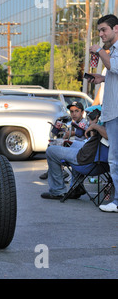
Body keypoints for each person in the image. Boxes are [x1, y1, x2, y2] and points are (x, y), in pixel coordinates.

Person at [41, 107, 107, 200]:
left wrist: (94, 126)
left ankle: (57, 191)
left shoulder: (111, 124)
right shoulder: (109, 121)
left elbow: (108, 135)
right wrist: (93, 124)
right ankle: (76, 188)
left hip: (88, 160)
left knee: (51, 151)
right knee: (68, 144)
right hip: (94, 155)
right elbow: (94, 139)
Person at [87, 14, 118, 212]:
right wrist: (103, 79)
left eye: (104, 29)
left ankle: (117, 202)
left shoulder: (113, 50)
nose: (100, 34)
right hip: (113, 111)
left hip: (116, 112)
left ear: (116, 29)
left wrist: (98, 50)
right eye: (99, 30)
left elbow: (113, 66)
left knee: (115, 160)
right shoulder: (113, 50)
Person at [39, 101, 88, 180]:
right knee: (53, 145)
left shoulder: (83, 122)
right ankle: (57, 170)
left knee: (54, 149)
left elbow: (80, 132)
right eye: (71, 111)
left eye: (76, 111)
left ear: (82, 112)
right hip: (76, 147)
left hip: (81, 150)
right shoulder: (75, 122)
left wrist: (71, 133)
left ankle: (58, 171)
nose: (74, 114)